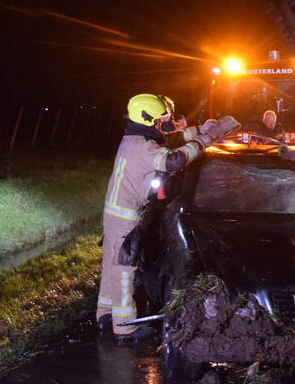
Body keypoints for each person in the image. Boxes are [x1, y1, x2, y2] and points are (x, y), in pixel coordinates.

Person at [97, 93, 237, 343]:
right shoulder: (143, 148)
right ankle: (124, 329)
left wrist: (202, 129)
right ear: (148, 119)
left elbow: (172, 139)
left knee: (111, 266)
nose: (164, 123)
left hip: (115, 215)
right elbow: (174, 159)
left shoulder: (135, 138)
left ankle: (105, 316)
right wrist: (209, 138)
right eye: (160, 119)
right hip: (125, 219)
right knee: (123, 271)